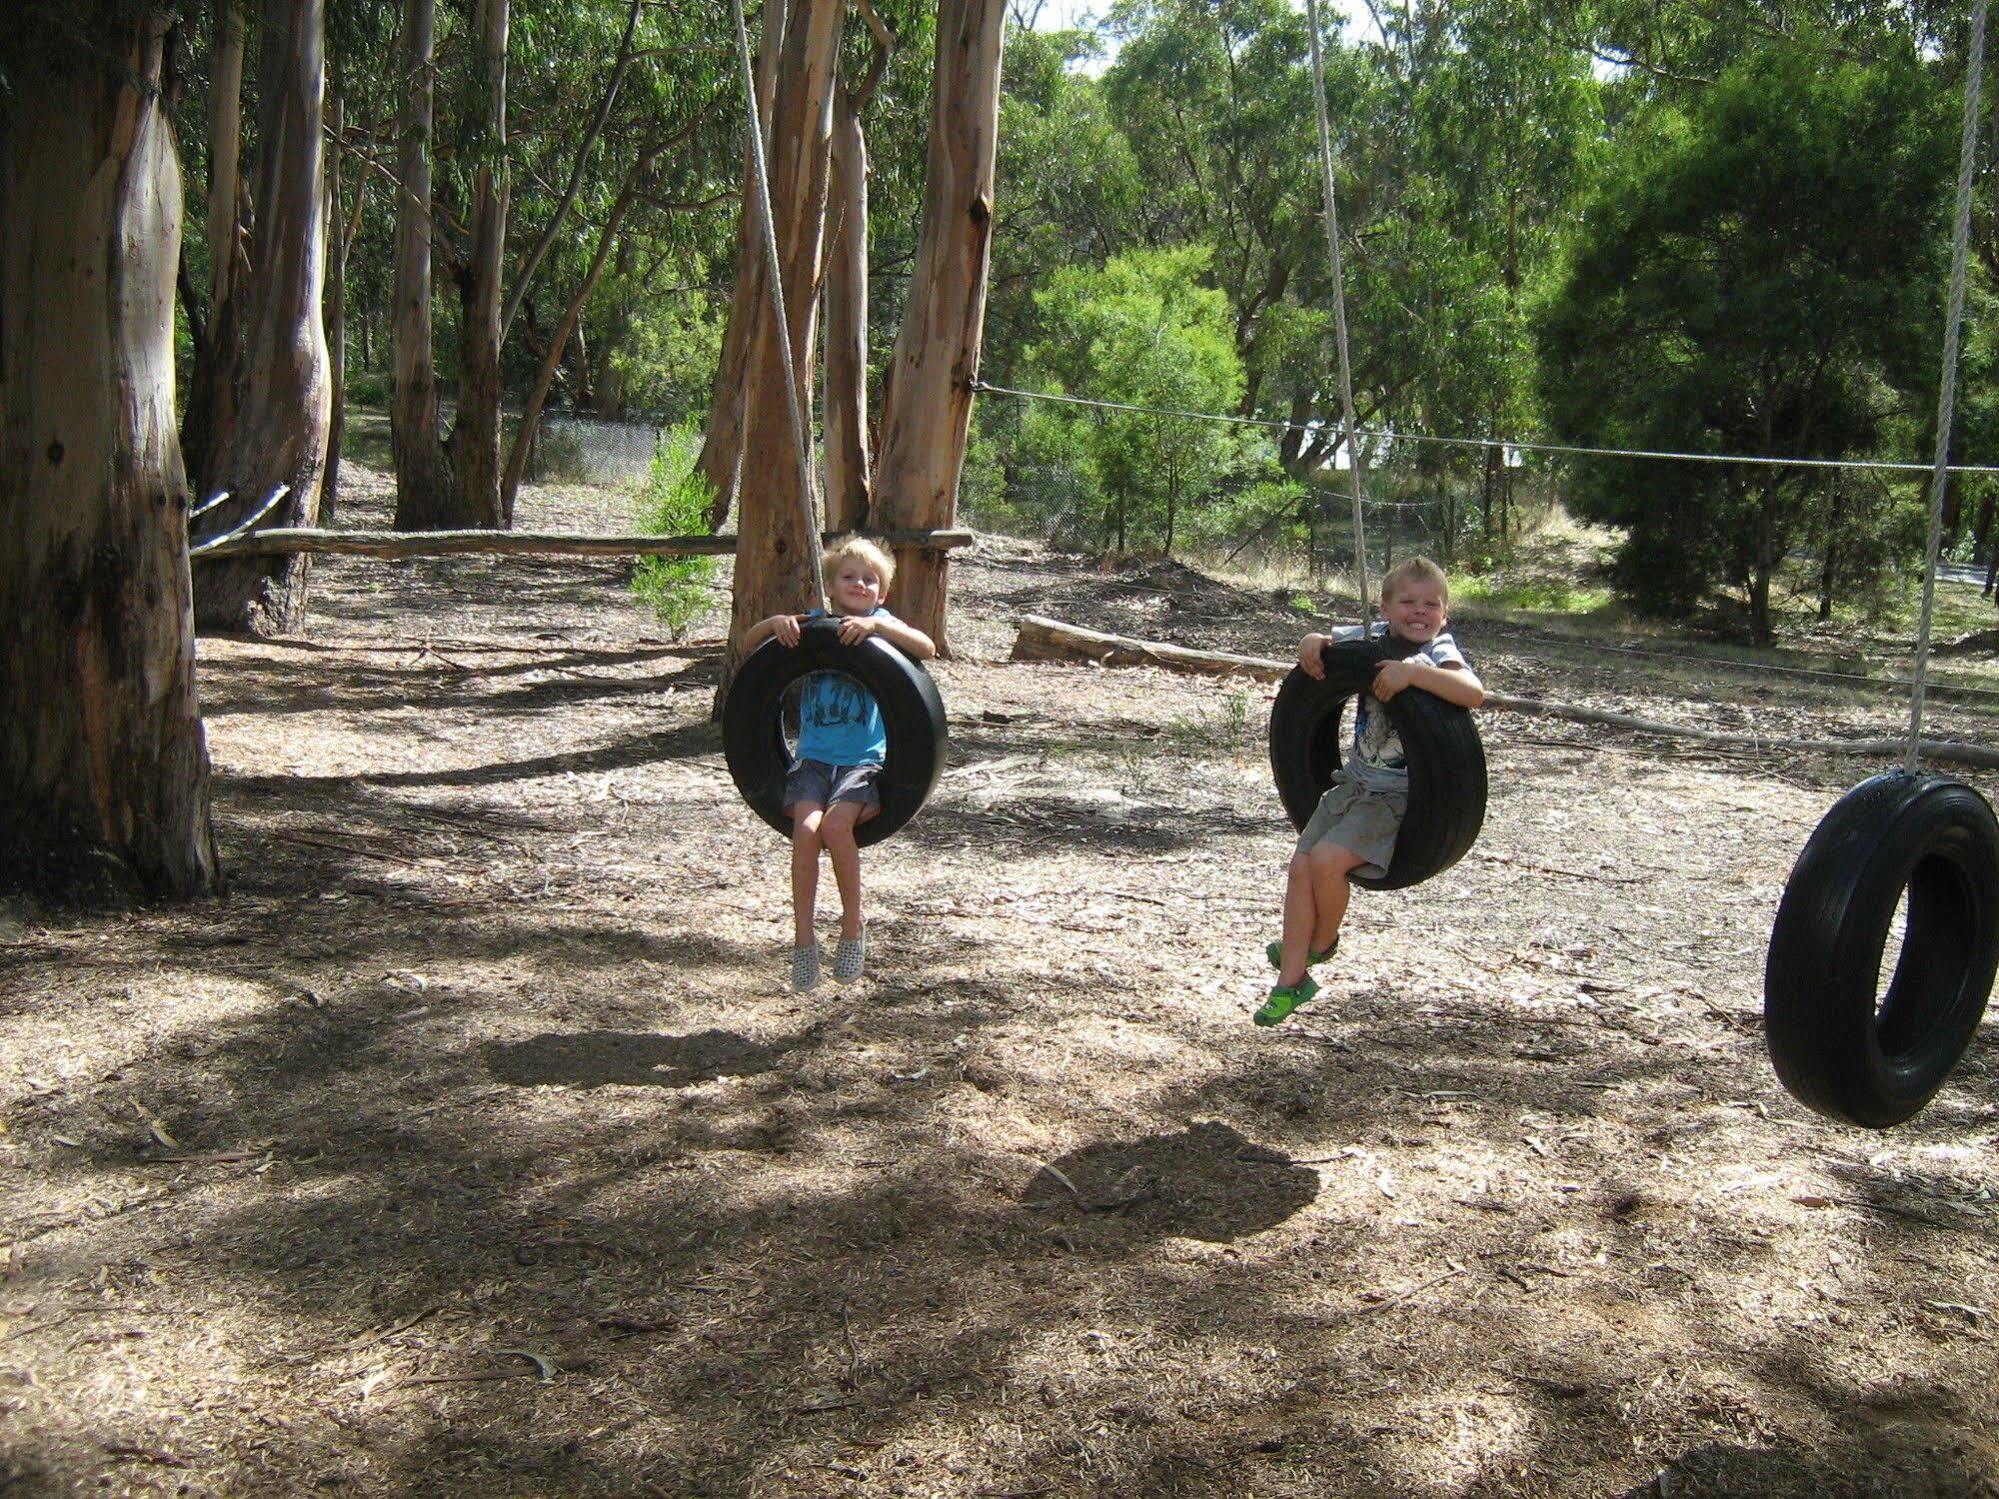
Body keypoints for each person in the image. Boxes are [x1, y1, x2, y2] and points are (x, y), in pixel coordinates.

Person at [1256, 555, 1485, 1026]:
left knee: (1325, 862)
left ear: (1445, 614)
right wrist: (1312, 642)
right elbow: (1325, 644)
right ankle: (1290, 980)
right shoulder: (1370, 639)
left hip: (1395, 799)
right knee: (1300, 868)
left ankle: (1322, 943)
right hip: (1352, 784)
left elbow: (1471, 692)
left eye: (1431, 604)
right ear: (1384, 608)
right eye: (1407, 602)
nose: (1419, 611)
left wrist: (1414, 674)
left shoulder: (1438, 652)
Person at [742, 537, 937, 991]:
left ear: (882, 593)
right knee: (806, 830)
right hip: (812, 762)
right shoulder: (813, 625)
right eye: (849, 577)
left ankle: (853, 924)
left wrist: (879, 630)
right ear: (830, 586)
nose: (860, 585)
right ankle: (803, 938)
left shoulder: (882, 624)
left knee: (834, 827)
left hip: (861, 766)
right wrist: (774, 623)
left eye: (871, 580)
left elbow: (926, 647)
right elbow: (750, 647)